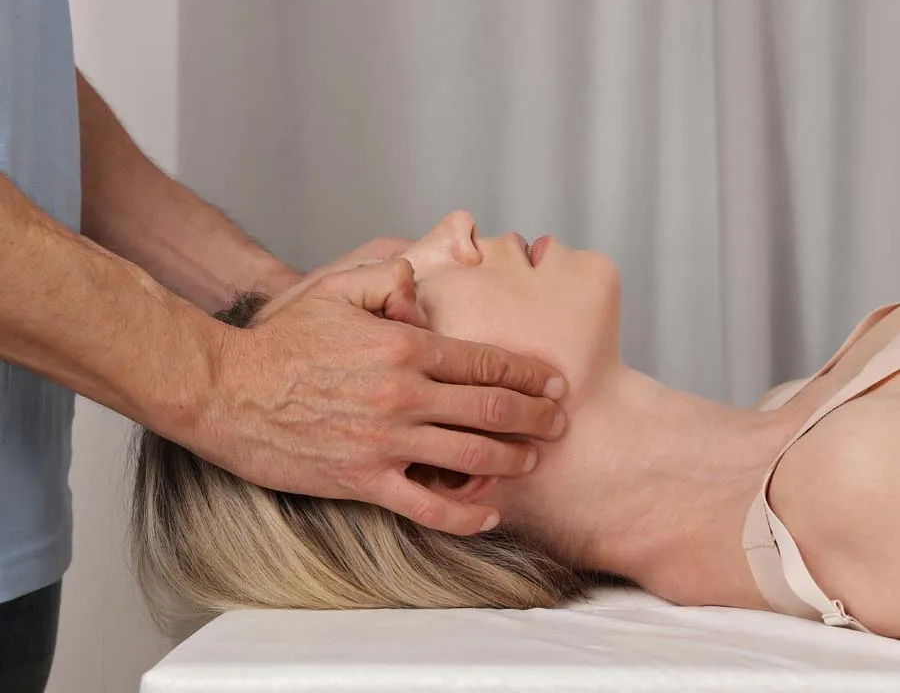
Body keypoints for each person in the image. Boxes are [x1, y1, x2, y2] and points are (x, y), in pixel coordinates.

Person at [0, 0, 568, 691]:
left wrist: (271, 304)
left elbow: (22, 77)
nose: (457, 229)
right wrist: (227, 380)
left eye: (408, 312)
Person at [133, 211, 900, 640]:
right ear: (439, 460)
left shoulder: (800, 410)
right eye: (416, 288)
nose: (456, 229)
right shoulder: (850, 486)